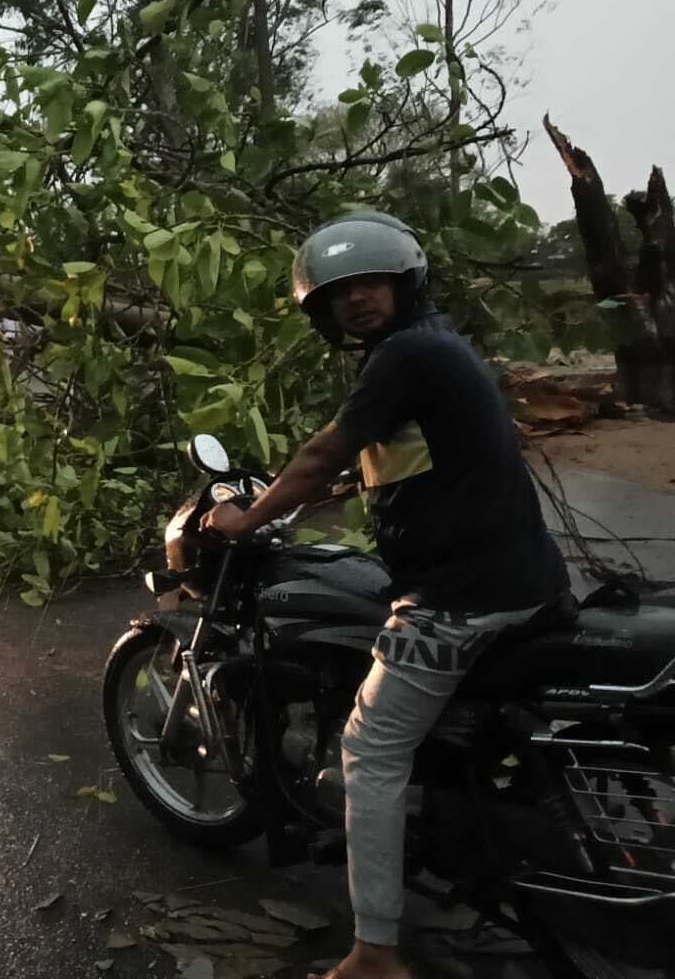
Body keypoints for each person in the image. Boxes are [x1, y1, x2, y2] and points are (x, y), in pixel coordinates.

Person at [199, 212, 569, 979]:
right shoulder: (430, 347)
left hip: (461, 593)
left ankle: (374, 953)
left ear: (403, 284)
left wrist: (247, 517)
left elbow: (319, 450)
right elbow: (396, 455)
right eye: (340, 294)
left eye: (370, 284)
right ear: (325, 311)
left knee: (369, 747)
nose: (357, 301)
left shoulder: (404, 355)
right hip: (515, 576)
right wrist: (330, 486)